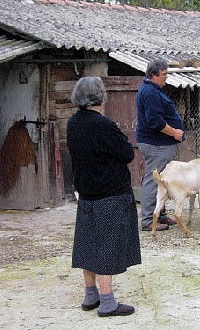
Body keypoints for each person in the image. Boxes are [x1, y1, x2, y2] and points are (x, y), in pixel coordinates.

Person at [67, 77, 141, 317]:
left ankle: (90, 296)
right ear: (100, 96)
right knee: (106, 247)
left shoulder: (72, 123)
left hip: (86, 193)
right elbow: (127, 153)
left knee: (88, 244)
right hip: (110, 194)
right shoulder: (103, 124)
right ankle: (108, 302)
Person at [136, 59, 184, 231]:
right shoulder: (150, 93)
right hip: (156, 143)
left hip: (159, 143)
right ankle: (149, 219)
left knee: (161, 180)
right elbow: (155, 121)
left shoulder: (152, 90)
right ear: (153, 75)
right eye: (164, 74)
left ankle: (160, 214)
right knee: (153, 179)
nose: (166, 78)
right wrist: (175, 132)